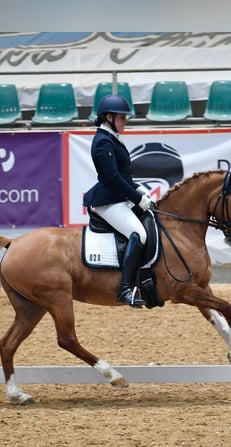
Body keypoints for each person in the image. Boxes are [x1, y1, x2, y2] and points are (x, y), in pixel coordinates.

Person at [83, 94, 153, 307]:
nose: (125, 121)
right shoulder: (103, 141)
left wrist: (140, 190)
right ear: (108, 116)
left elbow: (124, 176)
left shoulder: (112, 137)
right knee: (138, 234)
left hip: (119, 196)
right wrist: (136, 198)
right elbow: (112, 178)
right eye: (122, 117)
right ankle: (125, 290)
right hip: (108, 201)